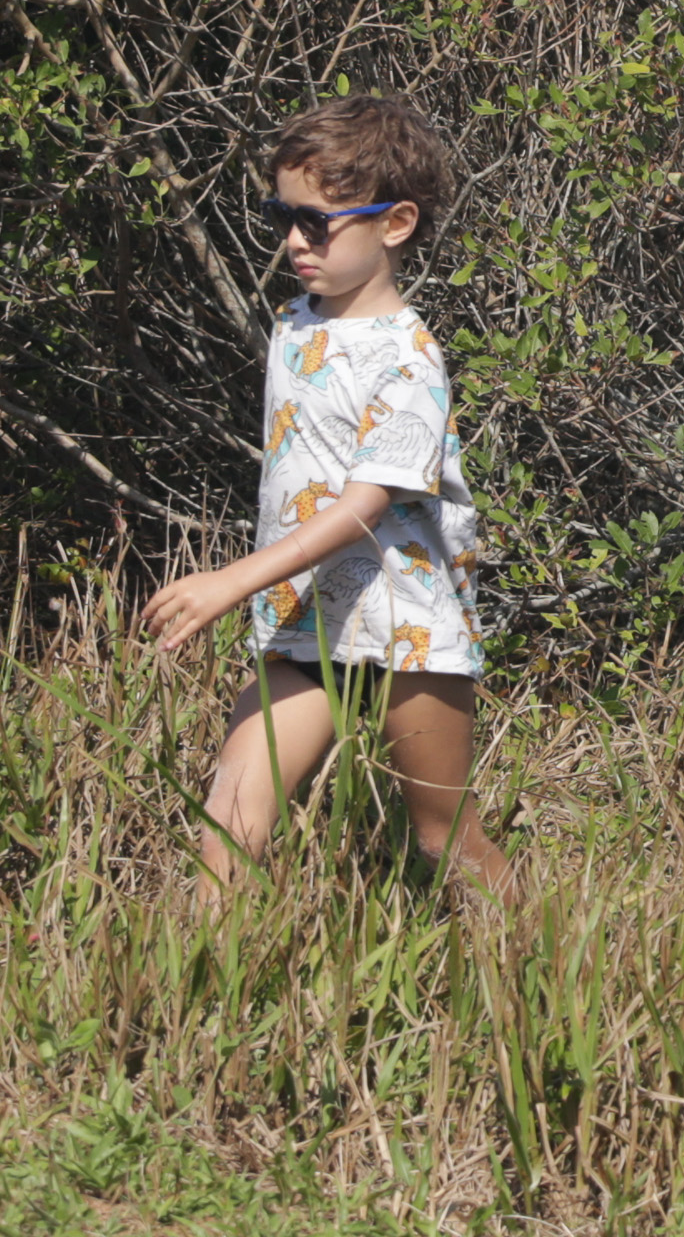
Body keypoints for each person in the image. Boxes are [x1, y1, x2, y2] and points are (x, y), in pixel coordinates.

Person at [143, 95, 513, 904]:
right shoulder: (296, 322)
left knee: (444, 838)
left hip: (407, 627)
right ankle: (196, 1011)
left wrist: (230, 580)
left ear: (396, 223)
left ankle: (543, 985)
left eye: (318, 223)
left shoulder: (408, 360)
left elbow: (364, 506)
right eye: (284, 216)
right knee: (229, 827)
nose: (293, 242)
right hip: (307, 621)